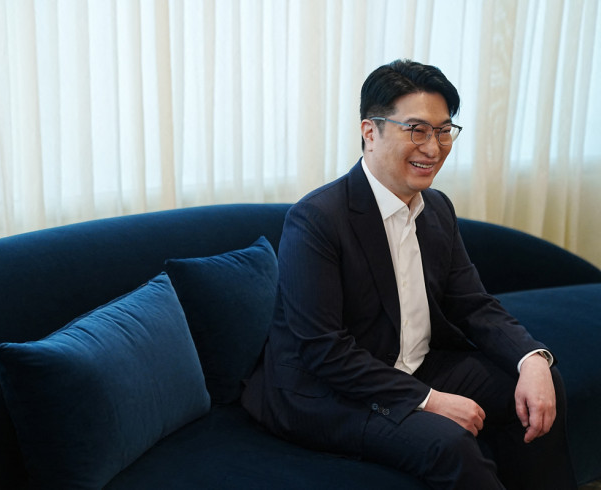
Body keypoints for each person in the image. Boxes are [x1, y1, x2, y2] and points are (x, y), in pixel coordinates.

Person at [241, 59, 576, 489]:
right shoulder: (317, 219)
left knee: (540, 388)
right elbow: (323, 351)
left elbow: (473, 305)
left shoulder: (436, 208)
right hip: (329, 392)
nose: (433, 148)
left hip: (413, 366)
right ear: (370, 132)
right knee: (448, 443)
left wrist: (531, 359)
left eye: (443, 130)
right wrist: (428, 401)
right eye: (416, 130)